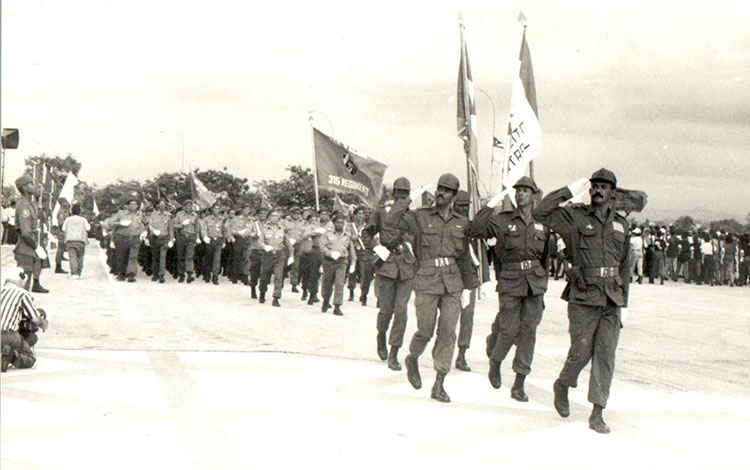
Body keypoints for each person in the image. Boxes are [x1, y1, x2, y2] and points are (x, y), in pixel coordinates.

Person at [533, 168, 631, 434]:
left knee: (605, 355)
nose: (598, 190)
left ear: (612, 192)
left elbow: (625, 265)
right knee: (580, 352)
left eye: (604, 186)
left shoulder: (621, 223)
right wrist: (568, 190)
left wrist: (624, 302)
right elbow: (540, 212)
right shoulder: (574, 218)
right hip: (584, 296)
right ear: (590, 190)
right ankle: (563, 384)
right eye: (595, 186)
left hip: (611, 299)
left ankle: (597, 412)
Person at [469, 176, 550, 401]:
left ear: (534, 196)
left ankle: (519, 382)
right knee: (509, 329)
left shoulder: (543, 223)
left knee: (529, 332)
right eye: (518, 191)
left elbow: (546, 256)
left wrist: (543, 283)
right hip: (511, 281)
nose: (521, 194)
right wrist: (489, 205)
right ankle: (496, 361)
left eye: (526, 191)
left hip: (534, 284)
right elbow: (475, 230)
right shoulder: (502, 220)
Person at [397, 173, 474, 403]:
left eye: (447, 190)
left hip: (452, 281)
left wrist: (469, 286)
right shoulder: (420, 217)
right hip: (427, 279)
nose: (442, 193)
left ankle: (440, 382)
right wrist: (409, 198)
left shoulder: (462, 222)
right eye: (440, 188)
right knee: (426, 330)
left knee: (449, 331)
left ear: (453, 196)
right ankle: (413, 357)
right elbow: (392, 219)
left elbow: (464, 257)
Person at [363, 177, 418, 370]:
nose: (402, 197)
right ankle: (381, 335)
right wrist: (376, 248)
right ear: (394, 194)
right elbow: (366, 233)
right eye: (399, 193)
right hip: (387, 265)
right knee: (386, 311)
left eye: (405, 194)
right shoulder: (382, 213)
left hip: (406, 267)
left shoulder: (412, 216)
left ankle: (394, 352)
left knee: (401, 312)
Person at [452, 190, 480, 373]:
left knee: (467, 317)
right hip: (451, 277)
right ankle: (443, 348)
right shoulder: (449, 225)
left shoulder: (472, 227)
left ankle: (462, 353)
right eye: (460, 205)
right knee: (448, 318)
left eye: (466, 206)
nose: (463, 209)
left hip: (469, 278)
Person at [1, 266, 49, 372]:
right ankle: (12, 355)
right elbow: (35, 320)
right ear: (20, 280)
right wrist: (43, 322)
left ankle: (4, 352)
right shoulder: (22, 294)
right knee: (30, 359)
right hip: (7, 334)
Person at [13, 175, 48, 293]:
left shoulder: (29, 204)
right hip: (25, 249)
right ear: (25, 187)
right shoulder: (24, 205)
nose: (34, 186)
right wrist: (36, 246)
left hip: (29, 250)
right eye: (31, 184)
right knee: (23, 289)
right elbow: (26, 232)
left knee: (26, 288)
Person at [320, 213, 357, 316]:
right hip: (329, 261)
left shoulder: (347, 236)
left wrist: (353, 263)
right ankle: (326, 300)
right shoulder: (327, 234)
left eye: (342, 223)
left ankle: (337, 306)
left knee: (339, 283)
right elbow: (322, 247)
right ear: (334, 223)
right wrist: (330, 253)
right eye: (338, 223)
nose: (340, 225)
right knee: (327, 283)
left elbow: (351, 250)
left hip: (341, 261)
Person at [258, 208, 292, 306]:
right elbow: (260, 242)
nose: (275, 218)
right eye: (272, 216)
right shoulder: (264, 229)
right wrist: (265, 246)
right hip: (267, 255)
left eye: (277, 216)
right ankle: (262, 292)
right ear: (268, 217)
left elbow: (288, 243)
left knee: (278, 276)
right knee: (264, 276)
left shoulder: (282, 229)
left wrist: (291, 255)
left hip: (279, 254)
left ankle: (276, 297)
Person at [173, 199, 200, 283]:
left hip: (191, 237)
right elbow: (174, 226)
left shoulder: (195, 215)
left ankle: (189, 274)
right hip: (181, 236)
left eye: (190, 205)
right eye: (187, 205)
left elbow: (197, 228)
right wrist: (182, 225)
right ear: (184, 207)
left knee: (189, 256)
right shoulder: (179, 215)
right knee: (180, 256)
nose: (189, 207)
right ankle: (181, 275)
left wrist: (197, 238)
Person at [61, 203, 91, 279]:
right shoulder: (83, 220)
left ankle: (74, 273)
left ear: (72, 211)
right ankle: (79, 272)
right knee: (80, 257)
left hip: (70, 240)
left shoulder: (68, 219)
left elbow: (63, 229)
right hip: (81, 240)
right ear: (80, 211)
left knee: (72, 257)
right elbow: (88, 228)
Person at [147, 199, 173, 283]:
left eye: (164, 204)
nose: (162, 206)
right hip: (155, 238)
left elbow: (170, 228)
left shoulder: (168, 215)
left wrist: (171, 239)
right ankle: (155, 274)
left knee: (162, 257)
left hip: (164, 238)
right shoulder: (153, 215)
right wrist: (153, 230)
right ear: (157, 205)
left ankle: (161, 275)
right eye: (160, 204)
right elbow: (150, 225)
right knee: (155, 257)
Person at [199, 203, 226, 285]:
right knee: (209, 258)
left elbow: (224, 230)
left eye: (218, 209)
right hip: (210, 239)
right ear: (212, 209)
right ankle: (207, 275)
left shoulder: (223, 219)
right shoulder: (207, 219)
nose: (216, 210)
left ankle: (215, 277)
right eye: (215, 208)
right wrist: (205, 237)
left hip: (218, 240)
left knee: (217, 259)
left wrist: (224, 241)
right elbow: (203, 228)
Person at [53, 198, 71, 274]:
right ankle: (58, 266)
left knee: (62, 249)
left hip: (64, 233)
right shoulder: (61, 212)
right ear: (62, 203)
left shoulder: (66, 211)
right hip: (61, 233)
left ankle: (59, 264)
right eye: (65, 202)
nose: (67, 203)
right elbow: (61, 223)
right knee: (60, 249)